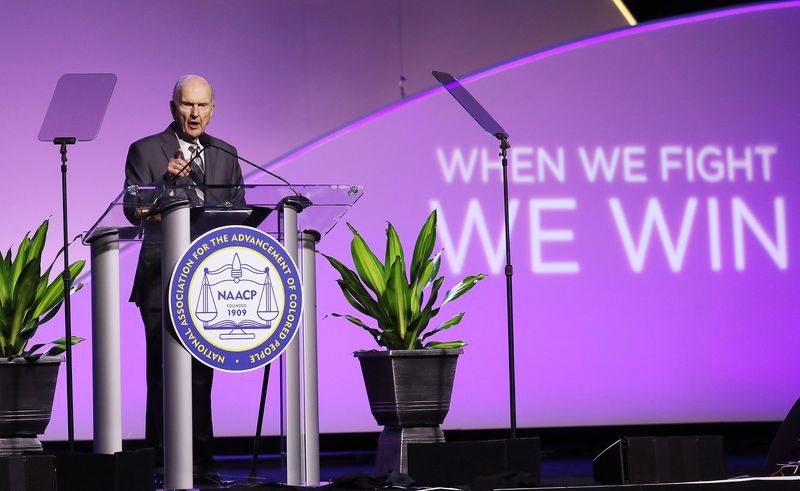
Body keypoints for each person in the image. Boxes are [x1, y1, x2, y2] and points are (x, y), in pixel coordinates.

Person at [124, 74, 245, 478]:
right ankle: (159, 463)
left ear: (213, 109)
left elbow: (238, 212)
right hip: (161, 277)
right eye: (186, 105)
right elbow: (133, 210)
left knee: (200, 377)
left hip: (207, 280)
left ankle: (201, 463)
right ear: (173, 106)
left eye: (202, 105)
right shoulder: (145, 150)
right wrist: (167, 184)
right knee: (162, 374)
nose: (194, 113)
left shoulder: (226, 154)